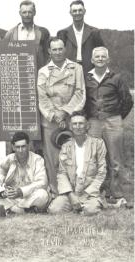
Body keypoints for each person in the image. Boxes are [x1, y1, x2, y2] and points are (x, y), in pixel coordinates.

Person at [85, 46, 133, 204]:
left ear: (108, 59)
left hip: (113, 121)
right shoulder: (87, 78)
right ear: (92, 60)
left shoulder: (116, 78)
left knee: (115, 159)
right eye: (97, 57)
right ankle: (96, 192)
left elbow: (127, 101)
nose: (100, 59)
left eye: (103, 57)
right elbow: (84, 101)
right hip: (93, 122)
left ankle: (116, 193)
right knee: (94, 158)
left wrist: (117, 117)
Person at [37, 37, 85, 194]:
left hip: (71, 120)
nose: (58, 52)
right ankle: (56, 192)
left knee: (73, 157)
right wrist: (55, 115)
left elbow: (80, 93)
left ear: (65, 49)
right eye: (54, 49)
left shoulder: (76, 68)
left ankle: (76, 191)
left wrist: (65, 112)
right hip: (51, 121)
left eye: (60, 49)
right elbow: (42, 98)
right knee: (52, 160)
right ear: (49, 52)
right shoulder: (43, 72)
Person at [48, 112, 107, 215]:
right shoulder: (66, 146)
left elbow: (102, 172)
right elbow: (62, 173)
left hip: (90, 193)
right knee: (54, 209)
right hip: (72, 192)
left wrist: (87, 193)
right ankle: (77, 205)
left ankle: (91, 204)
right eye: (74, 124)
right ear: (70, 127)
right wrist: (71, 195)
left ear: (87, 126)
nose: (78, 127)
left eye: (81, 123)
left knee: (90, 210)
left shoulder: (98, 144)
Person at [0, 132, 49, 218]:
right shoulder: (8, 159)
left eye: (23, 146)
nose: (20, 150)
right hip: (10, 199)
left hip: (27, 198)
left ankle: (8, 210)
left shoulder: (37, 160)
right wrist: (1, 192)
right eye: (17, 147)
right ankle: (19, 210)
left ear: (28, 146)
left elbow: (42, 182)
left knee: (43, 195)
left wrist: (21, 192)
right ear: (13, 147)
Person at [57, 0, 104, 74]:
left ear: (84, 11)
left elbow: (102, 52)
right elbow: (58, 54)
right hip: (69, 71)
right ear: (70, 13)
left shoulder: (94, 32)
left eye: (80, 10)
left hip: (90, 70)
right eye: (74, 11)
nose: (77, 13)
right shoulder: (63, 33)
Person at [4, 0, 50, 69]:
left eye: (30, 12)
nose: (27, 15)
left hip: (38, 73)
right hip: (18, 72)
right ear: (20, 13)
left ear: (34, 12)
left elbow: (48, 55)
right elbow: (4, 55)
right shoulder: (10, 33)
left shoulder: (43, 32)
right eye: (24, 12)